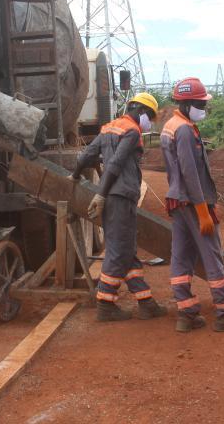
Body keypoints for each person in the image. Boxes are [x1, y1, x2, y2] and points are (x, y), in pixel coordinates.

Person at [161, 77, 224, 333]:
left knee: (181, 256)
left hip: (178, 201)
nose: (205, 108)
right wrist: (203, 211)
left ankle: (186, 314)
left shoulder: (171, 125)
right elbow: (190, 173)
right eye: (201, 103)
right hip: (192, 202)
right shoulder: (184, 130)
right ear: (188, 102)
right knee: (212, 255)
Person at [70, 92, 168, 322]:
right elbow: (115, 164)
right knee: (117, 251)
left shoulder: (108, 128)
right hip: (121, 197)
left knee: (125, 248)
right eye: (150, 118)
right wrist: (101, 195)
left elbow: (86, 156)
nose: (149, 124)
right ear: (142, 112)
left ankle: (146, 302)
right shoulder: (132, 131)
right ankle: (105, 304)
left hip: (113, 198)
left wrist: (74, 176)